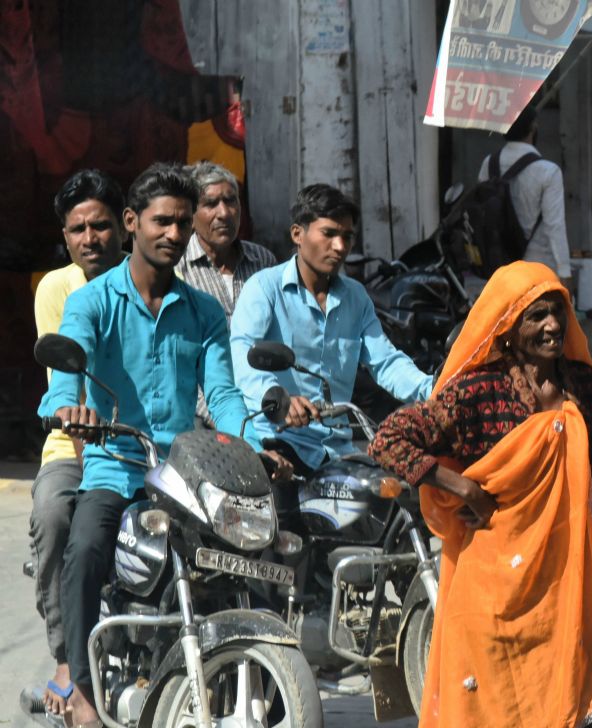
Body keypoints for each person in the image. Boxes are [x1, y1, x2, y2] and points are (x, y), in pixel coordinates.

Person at [37, 163, 291, 727]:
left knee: (253, 556)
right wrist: (70, 407)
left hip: (182, 474)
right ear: (132, 223)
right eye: (162, 222)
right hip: (114, 466)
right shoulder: (93, 301)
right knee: (82, 552)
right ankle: (79, 685)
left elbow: (222, 394)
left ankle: (267, 686)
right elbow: (66, 372)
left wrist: (253, 441)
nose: (174, 235)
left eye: (182, 223)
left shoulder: (202, 312)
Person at [367, 261, 592, 728]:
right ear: (507, 327)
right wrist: (463, 487)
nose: (551, 326)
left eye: (558, 312)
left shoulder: (583, 388)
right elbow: (389, 440)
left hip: (579, 583)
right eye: (535, 315)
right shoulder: (479, 392)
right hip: (499, 595)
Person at [230, 183, 433, 475]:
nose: (339, 247)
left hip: (339, 450)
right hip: (280, 446)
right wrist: (277, 398)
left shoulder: (356, 296)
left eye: (347, 237)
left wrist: (434, 389)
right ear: (297, 234)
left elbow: (386, 361)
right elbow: (242, 354)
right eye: (329, 234)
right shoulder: (264, 289)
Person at [29, 169, 127, 717]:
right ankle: (67, 657)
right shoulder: (56, 288)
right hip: (74, 444)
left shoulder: (151, 280)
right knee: (52, 514)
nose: (91, 239)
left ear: (125, 226)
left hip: (140, 442)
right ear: (64, 237)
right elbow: (67, 383)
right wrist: (89, 451)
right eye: (78, 229)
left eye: (101, 226)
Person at [176, 161, 276, 427]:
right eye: (211, 204)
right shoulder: (178, 268)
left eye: (231, 201)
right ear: (192, 214)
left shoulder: (263, 261)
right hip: (200, 405)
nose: (224, 213)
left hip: (262, 397)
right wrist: (222, 415)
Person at [478, 105, 572, 287]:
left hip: (499, 271)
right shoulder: (548, 171)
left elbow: (483, 215)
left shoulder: (488, 164)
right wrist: (565, 272)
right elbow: (555, 226)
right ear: (533, 128)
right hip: (538, 270)